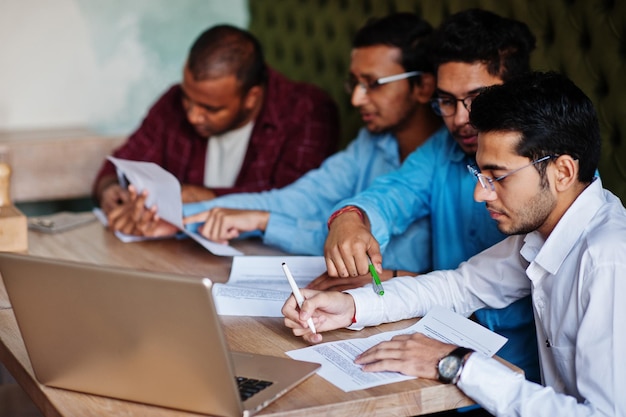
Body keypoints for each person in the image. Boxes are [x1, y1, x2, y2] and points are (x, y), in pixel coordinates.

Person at [283, 71, 625, 416]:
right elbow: (458, 287)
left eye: (497, 177)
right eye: (480, 176)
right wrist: (350, 306)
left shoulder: (609, 260)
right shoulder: (544, 233)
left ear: (563, 173)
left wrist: (456, 363)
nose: (480, 193)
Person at [123, 13, 444, 276]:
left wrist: (263, 222)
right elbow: (296, 199)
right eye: (355, 83)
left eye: (373, 84)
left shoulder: (448, 158)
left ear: (423, 86)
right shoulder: (370, 143)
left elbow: (373, 253)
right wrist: (175, 216)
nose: (357, 98)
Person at [320, 8, 541, 384]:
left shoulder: (551, 172)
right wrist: (350, 217)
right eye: (447, 101)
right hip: (435, 354)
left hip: (518, 375)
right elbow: (392, 194)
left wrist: (401, 279)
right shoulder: (440, 149)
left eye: (477, 98)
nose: (459, 119)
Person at [92, 24, 339, 231]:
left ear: (251, 97)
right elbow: (118, 165)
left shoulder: (307, 112)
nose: (193, 116)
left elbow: (297, 203)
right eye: (188, 99)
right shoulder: (173, 102)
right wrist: (111, 191)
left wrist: (204, 197)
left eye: (210, 109)